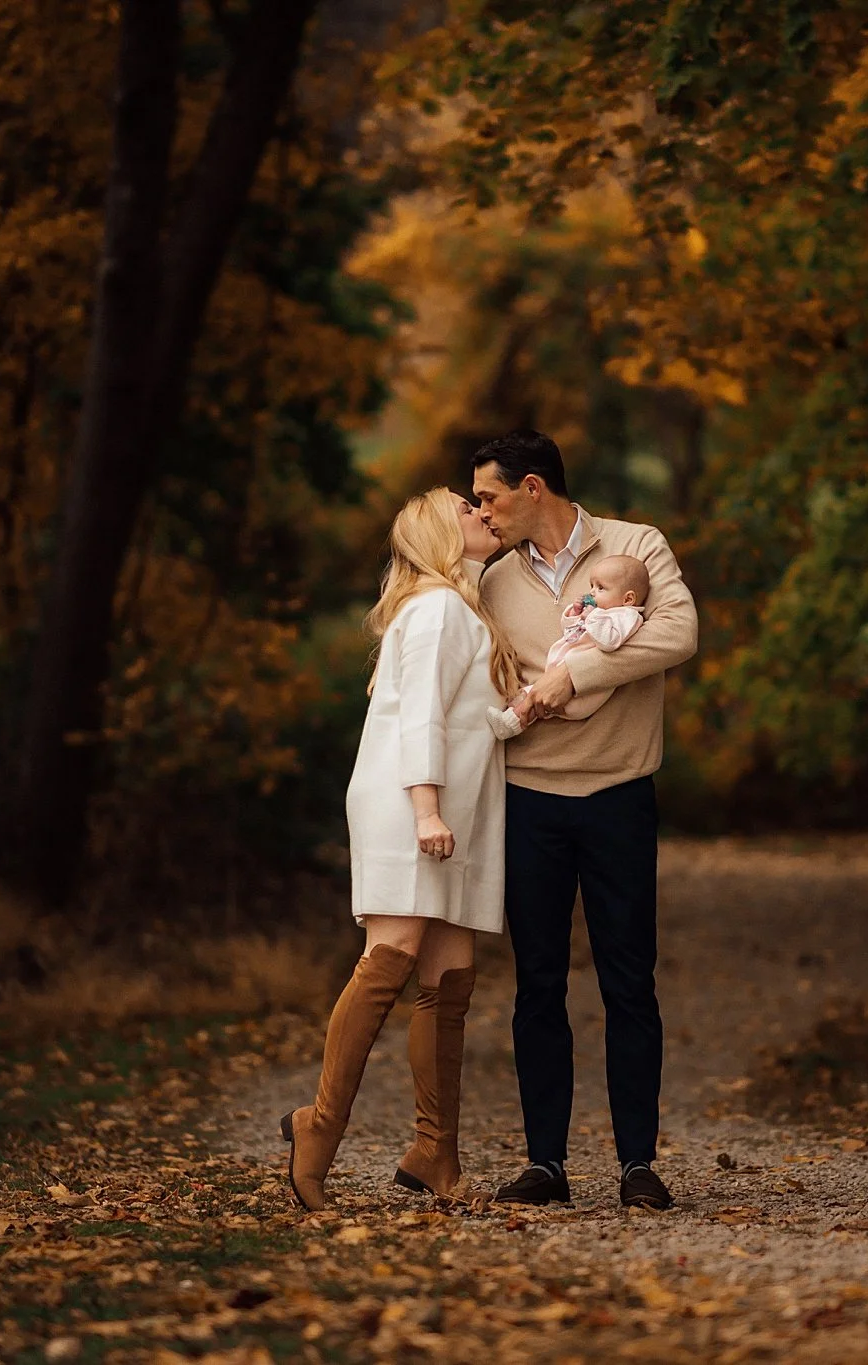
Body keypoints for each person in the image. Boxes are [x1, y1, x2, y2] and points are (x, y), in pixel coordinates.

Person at [471, 430, 699, 1211]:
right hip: (528, 797)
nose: (482, 511)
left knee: (630, 979)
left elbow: (677, 632)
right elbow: (485, 676)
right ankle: (546, 1165)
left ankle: (638, 1162)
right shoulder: (493, 579)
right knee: (537, 984)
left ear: (532, 487)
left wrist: (573, 676)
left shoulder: (637, 544)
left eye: (490, 496)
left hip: (620, 794)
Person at [280, 488, 518, 1211]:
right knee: (391, 958)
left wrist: (524, 710)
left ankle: (435, 1153)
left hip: (456, 810)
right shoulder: (439, 608)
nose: (481, 511)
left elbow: (466, 717)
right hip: (414, 804)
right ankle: (317, 1128)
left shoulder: (460, 607)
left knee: (451, 976)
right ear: (441, 533)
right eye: (466, 508)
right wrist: (424, 810)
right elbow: (418, 718)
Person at [485, 554, 651, 739]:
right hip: (562, 678)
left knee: (532, 697)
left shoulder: (626, 616)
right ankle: (510, 716)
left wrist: (592, 616)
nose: (593, 593)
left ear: (628, 599)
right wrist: (575, 613)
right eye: (592, 586)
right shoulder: (604, 612)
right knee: (526, 694)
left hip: (584, 692)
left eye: (601, 588)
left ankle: (511, 724)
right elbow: (571, 632)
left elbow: (609, 641)